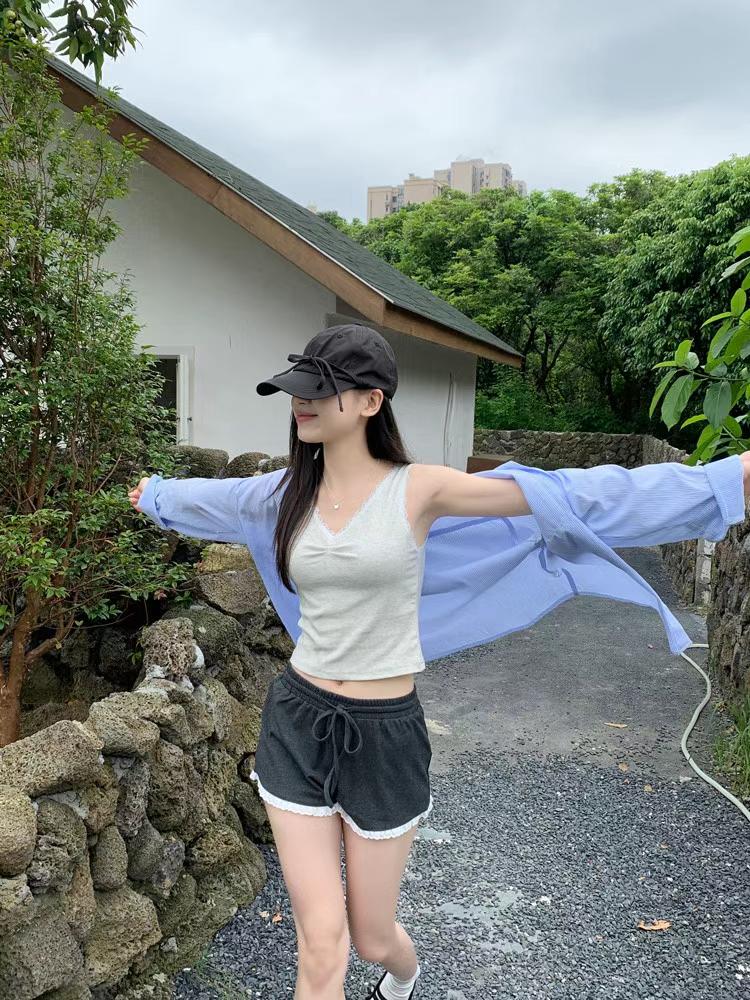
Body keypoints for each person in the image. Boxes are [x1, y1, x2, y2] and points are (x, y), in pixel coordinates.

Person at [129, 324, 750, 1000]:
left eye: (319, 390)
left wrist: (726, 480)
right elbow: (206, 499)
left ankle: (403, 976)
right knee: (322, 946)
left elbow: (569, 495)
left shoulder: (418, 491)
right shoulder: (281, 495)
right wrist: (155, 494)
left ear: (371, 401)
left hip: (384, 733)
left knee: (372, 938)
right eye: (297, 391)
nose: (301, 403)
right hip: (297, 722)